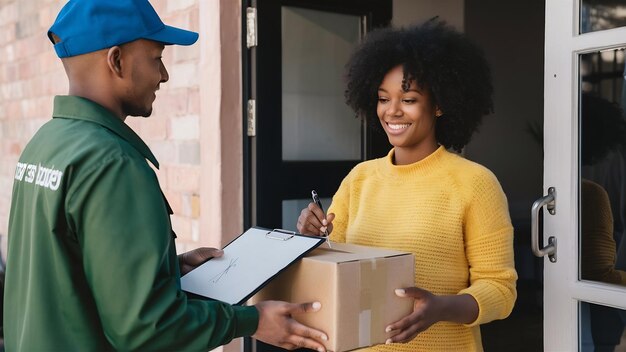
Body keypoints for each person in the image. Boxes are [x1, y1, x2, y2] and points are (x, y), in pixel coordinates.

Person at [3, 1, 328, 351]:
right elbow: (145, 328)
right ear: (116, 60)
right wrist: (252, 320)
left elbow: (66, 272)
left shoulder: (45, 144)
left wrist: (169, 272)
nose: (164, 75)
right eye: (156, 58)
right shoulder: (113, 162)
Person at [297, 19, 517, 351]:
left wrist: (441, 307)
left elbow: (501, 290)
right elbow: (333, 270)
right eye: (383, 98)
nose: (392, 111)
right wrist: (310, 240)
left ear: (439, 104)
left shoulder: (475, 184)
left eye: (409, 99)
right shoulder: (359, 180)